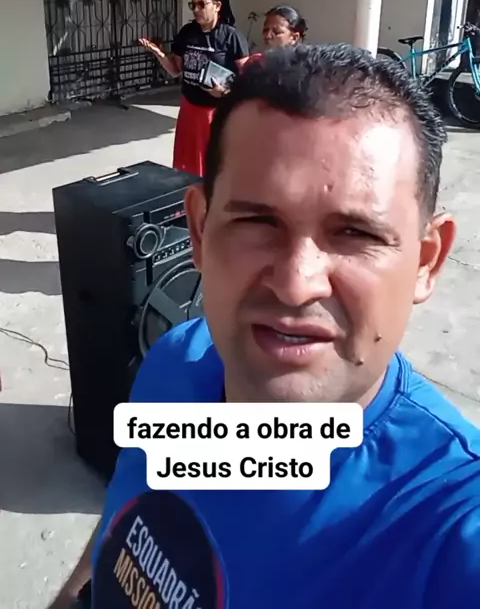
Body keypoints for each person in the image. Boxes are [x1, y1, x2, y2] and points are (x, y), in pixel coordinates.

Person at [48, 44, 480, 609]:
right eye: (257, 221)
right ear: (199, 232)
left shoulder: (446, 523)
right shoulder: (180, 361)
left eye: (355, 234)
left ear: (425, 262)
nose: (297, 284)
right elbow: (127, 521)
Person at [139, 0, 249, 177]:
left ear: (217, 5)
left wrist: (225, 92)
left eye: (201, 4)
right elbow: (175, 71)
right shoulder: (187, 32)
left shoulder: (231, 36)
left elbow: (246, 79)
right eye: (193, 5)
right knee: (187, 164)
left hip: (217, 112)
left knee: (215, 164)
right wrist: (158, 53)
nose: (196, 10)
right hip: (190, 109)